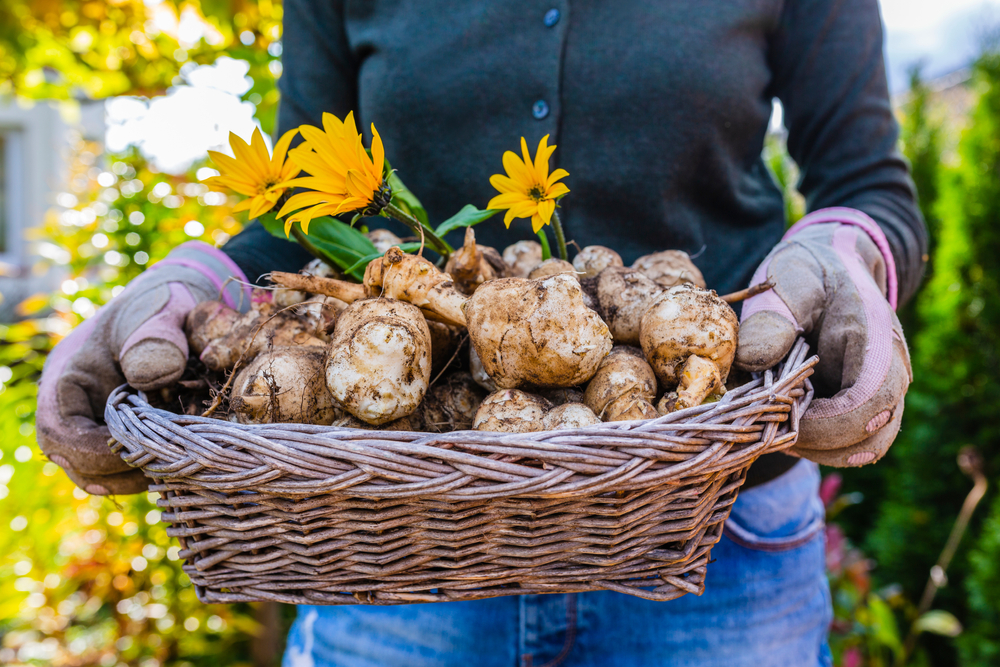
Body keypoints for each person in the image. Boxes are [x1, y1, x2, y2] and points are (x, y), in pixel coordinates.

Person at [36, 0, 925, 665]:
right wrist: (201, 279)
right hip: (387, 536)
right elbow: (298, 214)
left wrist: (845, 253)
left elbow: (866, 181)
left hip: (714, 525)